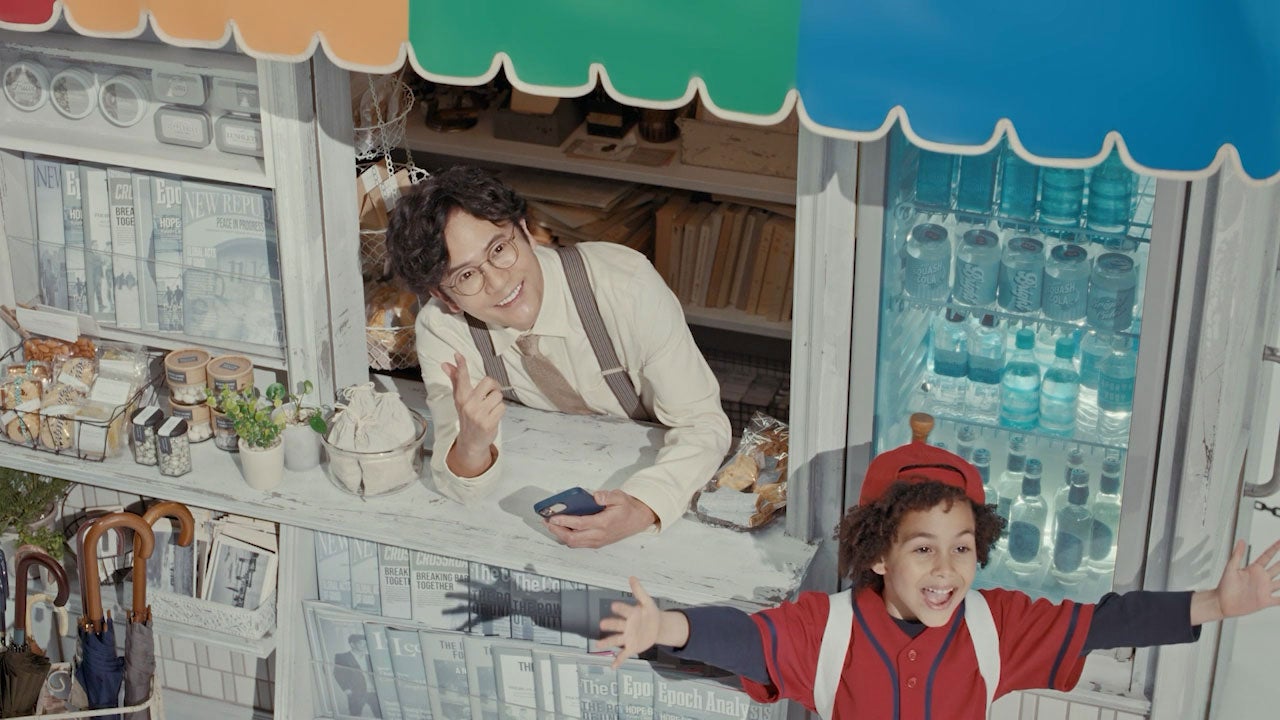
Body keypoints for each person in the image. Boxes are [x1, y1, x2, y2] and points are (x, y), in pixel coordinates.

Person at [599, 437, 1280, 719]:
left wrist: (1215, 604)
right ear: (877, 554)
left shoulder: (996, 627)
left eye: (962, 548)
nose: (946, 569)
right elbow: (750, 640)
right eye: (923, 549)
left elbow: (1106, 624)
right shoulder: (827, 630)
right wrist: (666, 626)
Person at [387, 166, 731, 548]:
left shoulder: (625, 285)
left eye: (499, 249)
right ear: (445, 297)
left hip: (660, 485)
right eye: (466, 276)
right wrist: (471, 442)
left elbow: (703, 423)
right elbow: (460, 486)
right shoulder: (444, 330)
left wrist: (643, 506)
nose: (498, 282)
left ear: (526, 231)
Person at [333, 632, 379, 717]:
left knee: (379, 715)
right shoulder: (342, 657)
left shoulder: (370, 657)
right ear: (352, 644)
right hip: (356, 692)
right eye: (361, 643)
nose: (364, 646)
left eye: (365, 644)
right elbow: (338, 673)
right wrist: (346, 689)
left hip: (374, 692)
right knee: (355, 715)